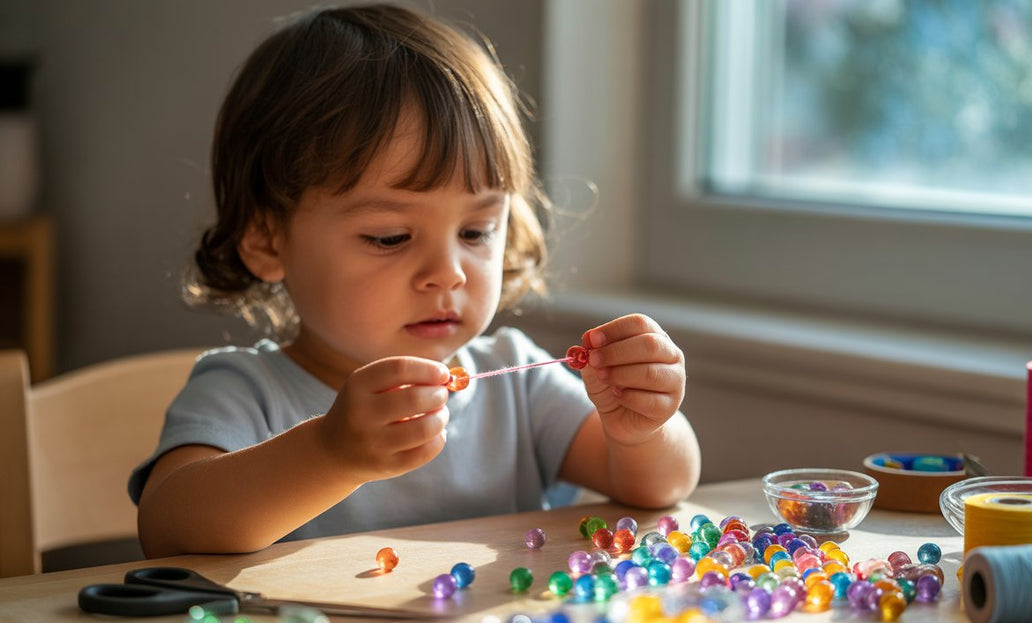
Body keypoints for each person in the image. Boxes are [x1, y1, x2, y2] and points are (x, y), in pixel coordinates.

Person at [130, 4, 700, 558]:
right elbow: (168, 527)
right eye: (390, 238)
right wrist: (330, 455)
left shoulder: (517, 386)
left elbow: (659, 487)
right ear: (267, 240)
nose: (448, 272)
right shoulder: (247, 393)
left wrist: (643, 428)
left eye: (476, 231)